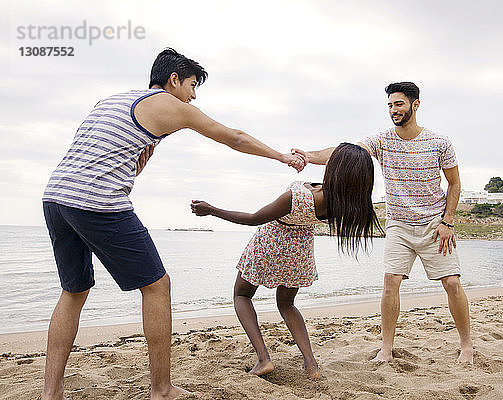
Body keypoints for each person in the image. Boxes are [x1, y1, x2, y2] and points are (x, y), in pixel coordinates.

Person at [40, 48, 305, 400]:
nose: (193, 96)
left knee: (73, 292)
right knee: (157, 286)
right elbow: (234, 137)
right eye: (192, 85)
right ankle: (161, 389)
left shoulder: (112, 100)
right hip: (95, 199)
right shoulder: (167, 103)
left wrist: (136, 166)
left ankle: (51, 392)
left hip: (56, 196)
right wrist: (282, 156)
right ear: (174, 80)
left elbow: (103, 157)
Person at [293, 82, 473, 364]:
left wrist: (447, 221)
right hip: (399, 225)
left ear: (415, 105)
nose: (393, 110)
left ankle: (466, 345)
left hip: (434, 226)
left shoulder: (440, 143)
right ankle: (386, 349)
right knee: (390, 282)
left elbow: (454, 183)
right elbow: (345, 152)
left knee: (451, 282)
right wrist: (308, 156)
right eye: (390, 105)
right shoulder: (383, 140)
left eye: (399, 104)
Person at [190, 143, 381, 380]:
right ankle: (311, 365)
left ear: (336, 169)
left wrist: (212, 210)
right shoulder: (344, 205)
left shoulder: (298, 196)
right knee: (287, 305)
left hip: (270, 245)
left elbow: (253, 219)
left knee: (242, 295)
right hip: (299, 253)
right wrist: (305, 158)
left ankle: (263, 359)